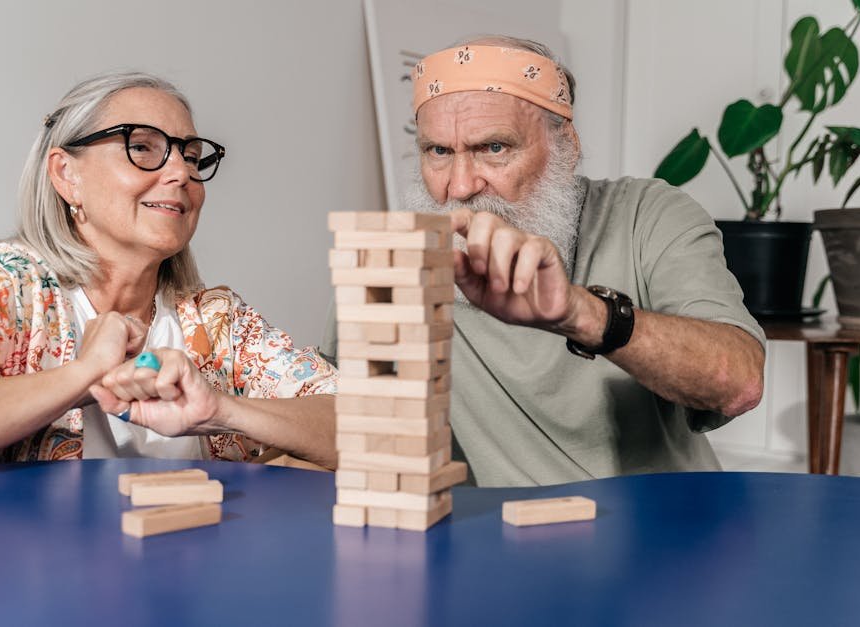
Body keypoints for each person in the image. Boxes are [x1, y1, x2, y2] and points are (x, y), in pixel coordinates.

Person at [0, 71, 337, 486]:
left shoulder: (217, 322)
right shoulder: (2, 291)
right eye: (144, 146)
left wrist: (221, 409)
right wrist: (81, 377)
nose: (180, 172)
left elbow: (386, 430)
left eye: (192, 155)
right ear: (67, 175)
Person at [323, 36, 765, 487]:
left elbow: (739, 382)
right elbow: (341, 426)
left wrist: (581, 313)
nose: (459, 186)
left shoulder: (647, 215)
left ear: (566, 146)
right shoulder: (394, 266)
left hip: (661, 530)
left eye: (493, 148)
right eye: (438, 151)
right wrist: (249, 410)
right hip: (487, 543)